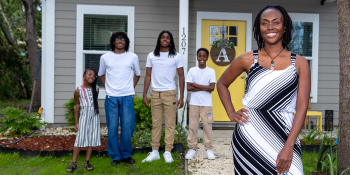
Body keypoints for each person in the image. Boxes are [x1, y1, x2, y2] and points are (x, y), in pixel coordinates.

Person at [217, 5, 310, 175]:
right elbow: (221, 84)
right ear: (259, 28)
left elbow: (302, 107)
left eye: (276, 22)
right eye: (264, 23)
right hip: (249, 137)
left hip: (285, 135)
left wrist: (289, 147)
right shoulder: (247, 59)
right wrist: (231, 112)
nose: (270, 27)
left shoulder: (300, 63)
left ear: (284, 27)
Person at [98, 32, 141, 166]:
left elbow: (137, 74)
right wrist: (108, 87)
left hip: (127, 97)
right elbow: (101, 74)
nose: (120, 41)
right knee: (112, 127)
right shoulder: (105, 57)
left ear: (126, 42)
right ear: (113, 42)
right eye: (118, 39)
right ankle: (115, 156)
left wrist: (130, 88)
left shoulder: (132, 57)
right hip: (111, 98)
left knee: (127, 127)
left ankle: (126, 154)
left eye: (123, 39)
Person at [142, 31, 185, 163]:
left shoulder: (176, 56)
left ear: (171, 41)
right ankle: (154, 151)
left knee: (170, 124)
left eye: (167, 38)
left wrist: (181, 96)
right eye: (163, 37)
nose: (165, 39)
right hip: (155, 94)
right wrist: (144, 94)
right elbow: (148, 75)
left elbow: (181, 76)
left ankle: (167, 151)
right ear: (159, 39)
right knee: (156, 124)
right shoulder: (152, 55)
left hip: (169, 93)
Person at [66, 69, 101, 172]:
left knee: (91, 139)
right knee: (80, 139)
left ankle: (87, 161)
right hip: (84, 116)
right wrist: (76, 123)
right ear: (84, 76)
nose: (92, 77)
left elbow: (94, 103)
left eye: (94, 76)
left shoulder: (96, 89)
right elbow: (76, 108)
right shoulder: (78, 90)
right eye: (89, 74)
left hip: (94, 116)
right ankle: (73, 162)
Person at [185, 48, 216, 160]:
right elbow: (188, 87)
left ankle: (209, 150)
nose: (202, 58)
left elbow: (211, 88)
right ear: (197, 57)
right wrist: (204, 87)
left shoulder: (211, 71)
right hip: (194, 103)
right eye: (200, 56)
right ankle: (192, 148)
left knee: (207, 126)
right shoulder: (192, 70)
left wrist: (196, 85)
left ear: (207, 58)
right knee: (193, 126)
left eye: (204, 56)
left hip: (206, 104)